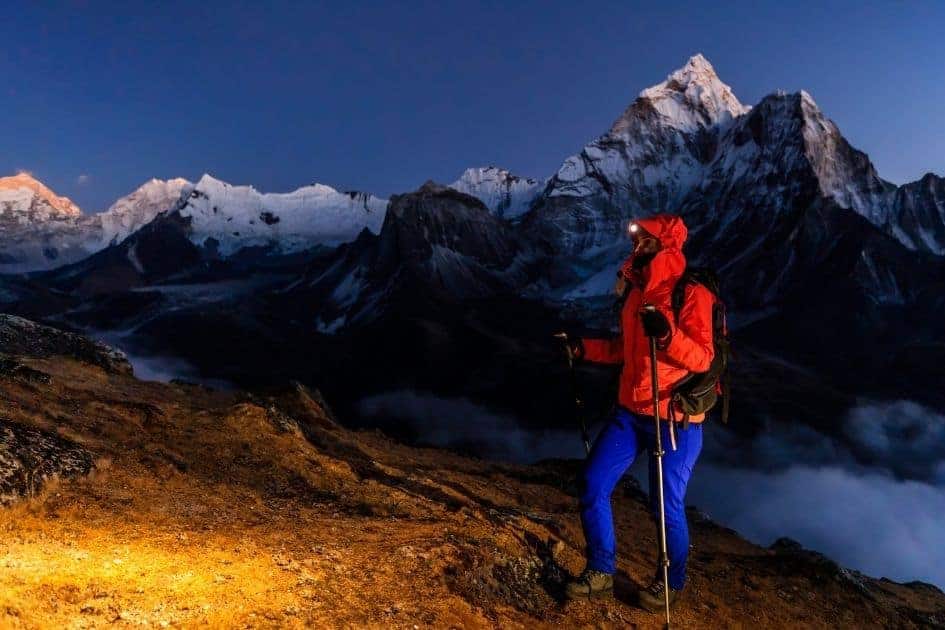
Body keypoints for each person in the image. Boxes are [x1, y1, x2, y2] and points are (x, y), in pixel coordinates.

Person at [563, 214, 715, 612]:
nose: (637, 246)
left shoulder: (692, 293)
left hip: (675, 419)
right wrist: (585, 349)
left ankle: (671, 582)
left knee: (665, 508)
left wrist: (666, 334)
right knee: (593, 484)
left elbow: (702, 357)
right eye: (636, 240)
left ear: (665, 244)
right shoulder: (636, 290)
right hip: (630, 412)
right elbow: (624, 351)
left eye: (645, 240)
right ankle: (600, 571)